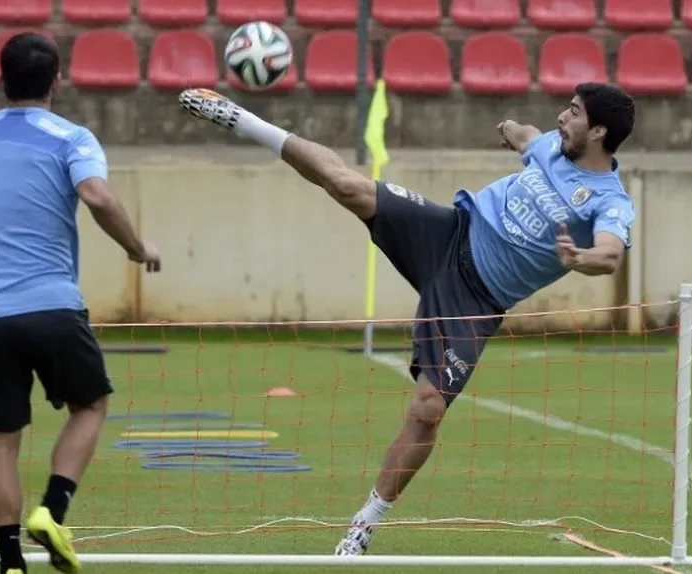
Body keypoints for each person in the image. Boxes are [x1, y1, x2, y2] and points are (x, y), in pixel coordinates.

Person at [178, 83, 637, 556]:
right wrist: (508, 128)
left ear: (598, 131)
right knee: (348, 186)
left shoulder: (609, 200)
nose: (563, 117)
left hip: (475, 300)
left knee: (428, 410)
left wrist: (581, 257)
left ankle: (364, 523)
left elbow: (609, 254)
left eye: (574, 112)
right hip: (449, 233)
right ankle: (240, 119)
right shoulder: (549, 148)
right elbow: (525, 134)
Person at [0, 33, 161, 573]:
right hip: (52, 305)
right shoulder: (73, 138)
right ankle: (52, 511)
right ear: (57, 81)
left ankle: (10, 563)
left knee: (0, 442)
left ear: (0, 80)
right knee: (90, 405)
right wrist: (137, 248)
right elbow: (96, 194)